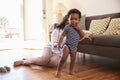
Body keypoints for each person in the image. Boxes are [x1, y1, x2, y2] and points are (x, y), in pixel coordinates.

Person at [56, 8, 91, 77]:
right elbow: (62, 36)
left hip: (74, 47)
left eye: (75, 19)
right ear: (68, 20)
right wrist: (59, 44)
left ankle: (71, 70)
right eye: (71, 19)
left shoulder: (79, 29)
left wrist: (85, 36)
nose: (73, 21)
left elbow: (83, 35)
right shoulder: (67, 27)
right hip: (67, 45)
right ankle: (58, 70)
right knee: (63, 58)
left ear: (79, 20)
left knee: (73, 59)